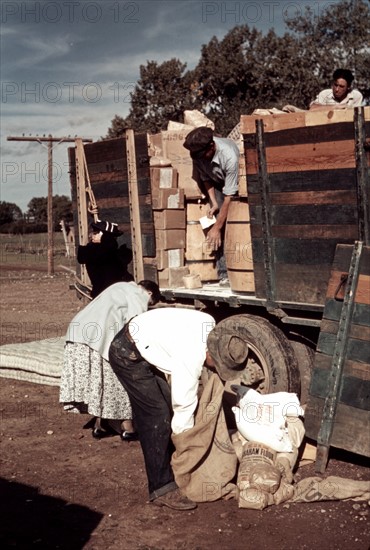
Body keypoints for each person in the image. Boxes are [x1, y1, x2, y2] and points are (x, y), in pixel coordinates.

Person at [108, 307, 249, 510]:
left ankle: (167, 460)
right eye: (216, 365)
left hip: (143, 341)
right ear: (210, 353)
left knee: (163, 407)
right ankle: (161, 487)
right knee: (157, 416)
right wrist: (188, 446)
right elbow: (184, 404)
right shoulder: (191, 355)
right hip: (126, 353)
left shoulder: (210, 326)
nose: (215, 370)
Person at [59, 280, 162, 440]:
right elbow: (136, 323)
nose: (147, 305)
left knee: (100, 382)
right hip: (94, 335)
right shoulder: (138, 293)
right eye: (150, 303)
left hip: (77, 331)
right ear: (149, 293)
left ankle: (100, 425)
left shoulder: (120, 286)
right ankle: (127, 426)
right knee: (120, 379)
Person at [183, 127, 240, 287]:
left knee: (225, 226)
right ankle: (223, 274)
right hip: (217, 184)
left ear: (211, 146)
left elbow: (230, 196)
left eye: (203, 156)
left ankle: (235, 271)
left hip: (234, 186)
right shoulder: (199, 155)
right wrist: (214, 202)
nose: (201, 159)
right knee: (215, 222)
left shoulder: (229, 156)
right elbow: (206, 178)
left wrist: (217, 227)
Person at [77, 219, 132, 299]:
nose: (92, 236)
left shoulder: (108, 251)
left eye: (96, 233)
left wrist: (105, 235)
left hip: (113, 294)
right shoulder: (94, 251)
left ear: (105, 236)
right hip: (104, 294)